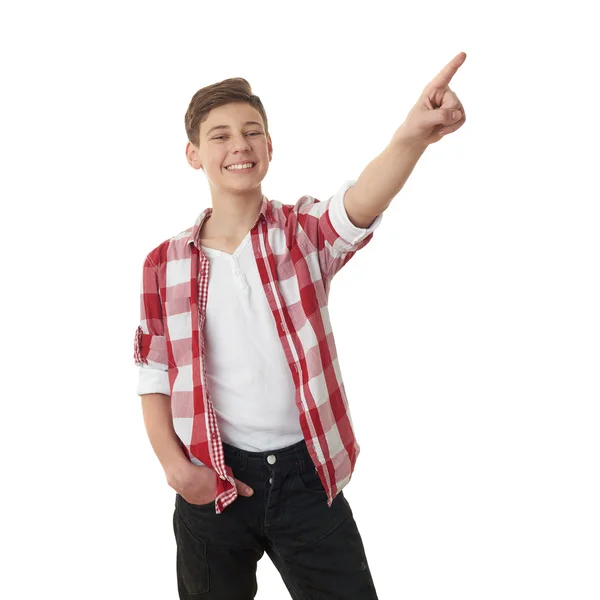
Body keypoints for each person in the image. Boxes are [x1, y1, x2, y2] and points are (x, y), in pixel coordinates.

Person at [134, 52, 466, 599]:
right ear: (193, 154)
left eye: (251, 132)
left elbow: (358, 205)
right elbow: (153, 374)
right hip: (214, 478)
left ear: (269, 146)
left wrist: (411, 137)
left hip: (307, 475)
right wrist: (176, 468)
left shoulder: (301, 235)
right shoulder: (163, 263)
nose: (238, 144)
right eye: (219, 136)